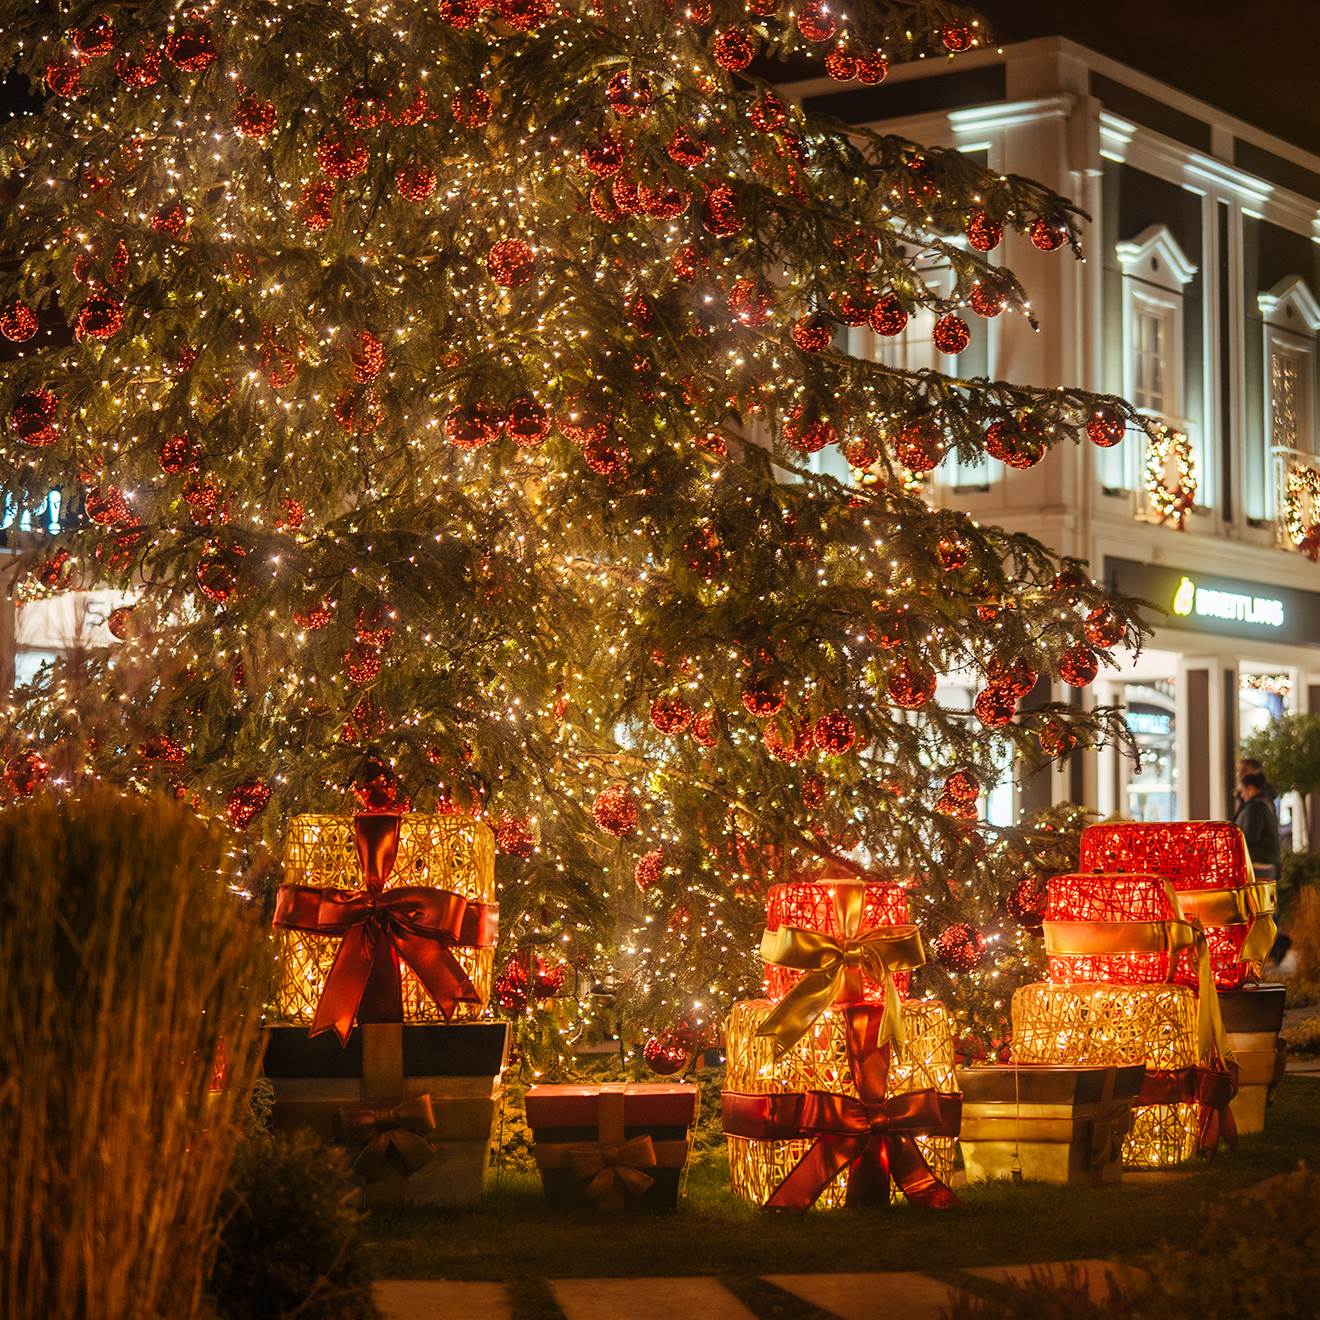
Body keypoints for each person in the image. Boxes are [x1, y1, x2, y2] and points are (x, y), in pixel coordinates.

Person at [1234, 770, 1280, 879]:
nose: (1241, 795)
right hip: (1265, 862)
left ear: (1250, 789)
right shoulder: (1265, 803)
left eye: (1242, 791)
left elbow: (1249, 836)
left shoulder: (1254, 808)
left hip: (1256, 863)